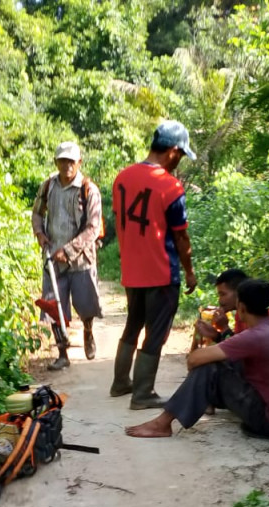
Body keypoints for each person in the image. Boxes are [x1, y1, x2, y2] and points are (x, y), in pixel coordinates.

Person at [125, 279, 269, 439]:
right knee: (227, 361)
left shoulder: (256, 335)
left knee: (210, 367)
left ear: (241, 307)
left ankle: (162, 424)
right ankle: (199, 405)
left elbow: (194, 360)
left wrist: (205, 345)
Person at [109, 120, 198, 409]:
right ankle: (143, 394)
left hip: (131, 272)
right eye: (181, 155)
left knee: (132, 325)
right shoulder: (170, 187)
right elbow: (181, 237)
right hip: (161, 273)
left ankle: (121, 382)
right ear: (172, 151)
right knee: (156, 333)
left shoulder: (122, 178)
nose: (179, 161)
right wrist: (189, 271)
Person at [32, 141, 104, 371]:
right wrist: (40, 234)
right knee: (55, 307)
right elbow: (37, 213)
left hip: (81, 259)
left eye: (71, 161)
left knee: (85, 305)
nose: (66, 165)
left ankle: (88, 331)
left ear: (79, 163)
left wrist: (70, 250)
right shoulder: (48, 186)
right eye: (62, 161)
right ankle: (62, 352)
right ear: (56, 162)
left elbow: (93, 228)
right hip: (54, 259)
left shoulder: (88, 189)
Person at [194, 268, 248, 346]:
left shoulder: (254, 314)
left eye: (223, 294)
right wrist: (216, 335)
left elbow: (240, 350)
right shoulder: (239, 314)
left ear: (239, 292)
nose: (220, 300)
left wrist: (224, 328)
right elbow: (236, 346)